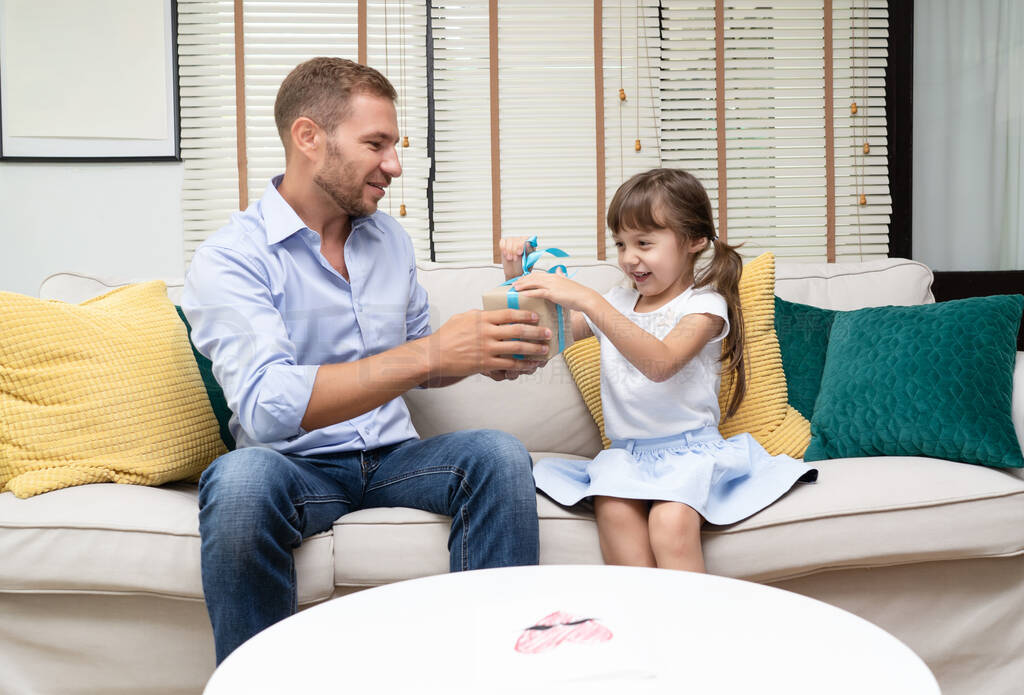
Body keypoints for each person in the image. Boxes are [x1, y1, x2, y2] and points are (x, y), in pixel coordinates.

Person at [182, 57, 549, 664]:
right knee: (241, 481)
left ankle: (490, 675)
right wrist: (431, 351)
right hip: (294, 469)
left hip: (394, 459)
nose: (395, 166)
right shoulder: (231, 257)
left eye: (395, 146)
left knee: (497, 455)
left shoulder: (389, 240)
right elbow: (269, 407)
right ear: (309, 138)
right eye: (376, 144)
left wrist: (482, 352)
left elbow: (419, 358)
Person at [500, 168, 817, 573]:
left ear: (694, 241)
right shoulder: (618, 299)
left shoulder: (704, 306)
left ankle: (692, 631)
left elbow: (660, 363)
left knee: (670, 522)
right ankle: (642, 626)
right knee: (613, 511)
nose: (629, 258)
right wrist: (517, 278)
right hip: (627, 457)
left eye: (644, 243)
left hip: (690, 454)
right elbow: (545, 337)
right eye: (621, 244)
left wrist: (590, 301)